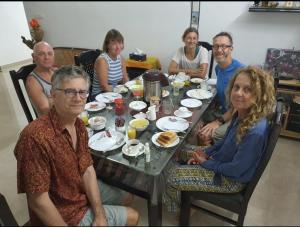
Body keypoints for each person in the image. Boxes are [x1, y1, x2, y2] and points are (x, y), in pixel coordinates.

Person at [14, 65, 139, 226]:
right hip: (62, 210)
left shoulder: (79, 126)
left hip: (77, 190)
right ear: (53, 95)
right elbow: (38, 201)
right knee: (133, 216)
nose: (78, 98)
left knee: (127, 197)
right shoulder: (34, 137)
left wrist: (99, 214)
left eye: (82, 92)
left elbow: (87, 169)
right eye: (69, 92)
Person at [163, 66, 276, 213]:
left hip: (230, 179)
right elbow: (223, 142)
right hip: (222, 160)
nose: (238, 93)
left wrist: (207, 163)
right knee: (177, 149)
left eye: (247, 89)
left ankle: (178, 211)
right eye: (236, 87)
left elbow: (236, 170)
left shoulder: (255, 132)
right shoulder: (242, 113)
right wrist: (207, 152)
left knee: (171, 177)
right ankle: (186, 192)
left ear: (259, 95)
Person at [199, 32, 244, 143]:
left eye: (224, 46)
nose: (219, 50)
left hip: (238, 117)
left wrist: (218, 122)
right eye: (216, 46)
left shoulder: (240, 72)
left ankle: (214, 155)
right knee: (195, 120)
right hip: (225, 111)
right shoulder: (218, 68)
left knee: (211, 133)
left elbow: (239, 108)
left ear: (231, 49)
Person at [91, 29, 129, 100]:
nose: (118, 47)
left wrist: (130, 89)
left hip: (113, 93)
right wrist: (119, 94)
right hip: (100, 95)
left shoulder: (120, 58)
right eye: (114, 43)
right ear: (107, 45)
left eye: (120, 42)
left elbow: (125, 78)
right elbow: (104, 86)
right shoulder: (102, 60)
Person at [25, 41, 57, 117]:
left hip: (66, 115)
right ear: (33, 56)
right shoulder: (32, 81)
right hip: (50, 122)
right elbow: (45, 110)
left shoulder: (56, 71)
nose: (46, 57)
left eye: (50, 53)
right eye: (41, 54)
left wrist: (51, 99)